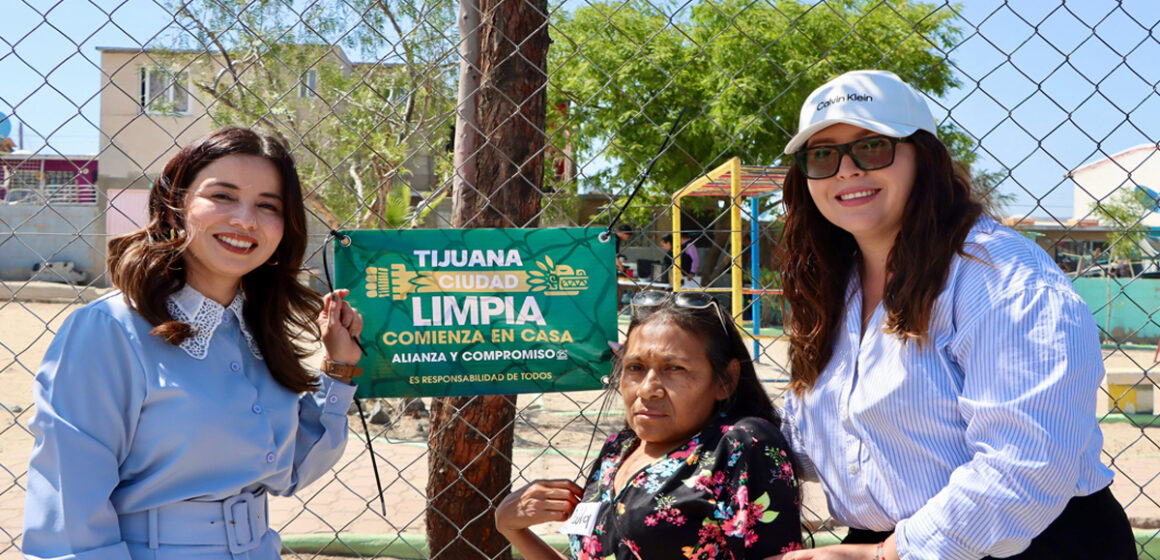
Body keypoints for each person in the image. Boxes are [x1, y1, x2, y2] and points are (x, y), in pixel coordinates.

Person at [769, 70, 1135, 560]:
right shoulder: (835, 283)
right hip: (892, 545)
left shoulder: (1000, 276)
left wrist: (886, 555)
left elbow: (1031, 463)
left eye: (872, 147)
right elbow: (823, 440)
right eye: (822, 153)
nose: (846, 170)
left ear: (924, 156)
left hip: (1025, 545)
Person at [22, 127, 365, 560]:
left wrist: (340, 369)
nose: (245, 219)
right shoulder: (108, 329)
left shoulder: (255, 331)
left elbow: (290, 471)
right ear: (174, 206)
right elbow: (68, 511)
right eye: (222, 196)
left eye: (267, 205)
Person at [496, 291, 803, 559]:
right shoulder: (617, 450)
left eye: (674, 368)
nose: (647, 389)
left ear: (726, 380)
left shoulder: (740, 445)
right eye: (635, 368)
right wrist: (511, 528)